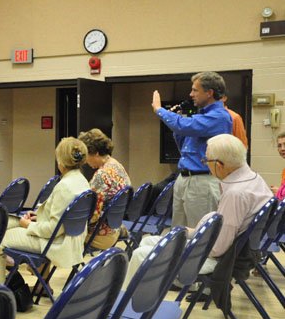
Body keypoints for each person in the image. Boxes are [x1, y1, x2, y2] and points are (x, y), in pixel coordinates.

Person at [125, 134, 272, 290]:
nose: (206, 165)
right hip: (237, 250)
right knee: (148, 241)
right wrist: (196, 232)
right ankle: (147, 298)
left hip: (220, 258)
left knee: (141, 254)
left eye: (206, 161)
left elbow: (217, 249)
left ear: (219, 164)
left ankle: (129, 307)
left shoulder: (235, 194)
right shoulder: (254, 179)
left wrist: (194, 240)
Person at [0, 137, 91, 284]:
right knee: (4, 224)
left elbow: (53, 229)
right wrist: (39, 216)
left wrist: (28, 225)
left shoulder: (64, 186)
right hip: (71, 239)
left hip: (56, 243)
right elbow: (63, 218)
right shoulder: (82, 181)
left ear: (60, 161)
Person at [152, 71, 232, 228]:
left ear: (209, 93)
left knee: (199, 233)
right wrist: (178, 120)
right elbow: (183, 143)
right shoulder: (200, 117)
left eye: (195, 90)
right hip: (185, 179)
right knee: (179, 232)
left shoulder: (219, 116)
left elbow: (183, 126)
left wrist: (159, 110)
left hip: (202, 181)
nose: (191, 94)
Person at [78, 128, 131, 250]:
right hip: (116, 227)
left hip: (102, 234)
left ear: (95, 152)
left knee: (56, 234)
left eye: (86, 156)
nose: (85, 161)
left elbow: (92, 215)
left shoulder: (102, 175)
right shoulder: (116, 165)